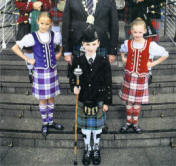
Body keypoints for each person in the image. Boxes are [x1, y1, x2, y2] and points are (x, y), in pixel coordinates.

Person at [11, 11, 64, 137]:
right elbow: (15, 47)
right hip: (40, 71)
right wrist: (27, 59)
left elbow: (61, 44)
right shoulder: (32, 36)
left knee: (51, 97)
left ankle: (51, 122)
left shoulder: (54, 35)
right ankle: (44, 123)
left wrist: (60, 53)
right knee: (43, 100)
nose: (44, 26)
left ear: (51, 23)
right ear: (37, 22)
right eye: (41, 23)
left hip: (52, 71)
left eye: (47, 23)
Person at [70, 26, 112, 165]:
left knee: (98, 128)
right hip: (83, 98)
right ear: (83, 44)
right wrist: (73, 87)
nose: (90, 47)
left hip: (99, 98)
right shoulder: (77, 60)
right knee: (86, 129)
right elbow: (72, 77)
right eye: (87, 44)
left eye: (93, 44)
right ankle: (87, 149)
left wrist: (107, 102)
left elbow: (108, 82)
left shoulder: (104, 61)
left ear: (98, 43)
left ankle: (96, 148)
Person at [119, 17, 168, 134]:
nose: (137, 34)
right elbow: (122, 50)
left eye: (140, 32)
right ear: (131, 31)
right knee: (129, 102)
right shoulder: (128, 43)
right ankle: (127, 123)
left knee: (137, 103)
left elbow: (165, 54)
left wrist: (152, 63)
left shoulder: (150, 45)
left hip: (141, 78)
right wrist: (123, 58)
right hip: (129, 77)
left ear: (145, 31)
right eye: (135, 32)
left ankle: (135, 123)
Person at [62, 0, 118, 64]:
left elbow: (114, 26)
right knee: (78, 77)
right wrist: (66, 51)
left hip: (102, 44)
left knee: (100, 78)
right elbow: (65, 25)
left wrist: (112, 50)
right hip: (77, 45)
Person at [16, 0, 50, 82]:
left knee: (38, 47)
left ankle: (38, 69)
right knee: (28, 48)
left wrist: (42, 6)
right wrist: (32, 6)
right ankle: (30, 69)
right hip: (26, 22)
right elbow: (18, 4)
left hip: (40, 24)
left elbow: (47, 6)